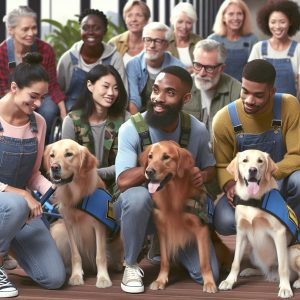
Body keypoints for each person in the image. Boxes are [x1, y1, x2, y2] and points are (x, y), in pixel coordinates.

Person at [113, 66, 219, 294]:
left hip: (180, 210)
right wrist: (155, 165)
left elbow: (210, 167)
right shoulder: (131, 128)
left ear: (186, 98)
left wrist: (203, 174)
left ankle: (167, 248)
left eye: (169, 93)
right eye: (156, 90)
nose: (158, 99)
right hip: (138, 210)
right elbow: (122, 182)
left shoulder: (196, 129)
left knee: (211, 276)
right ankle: (131, 264)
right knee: (137, 197)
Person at [0, 52, 66, 298]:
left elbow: (33, 176)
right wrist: (19, 194)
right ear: (14, 87)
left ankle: (5, 242)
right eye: (33, 96)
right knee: (16, 203)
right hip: (12, 204)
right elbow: (21, 193)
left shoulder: (38, 123)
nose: (39, 104)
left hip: (19, 212)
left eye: (43, 97)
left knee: (54, 278)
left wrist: (58, 191)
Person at [212, 59, 300, 236]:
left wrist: (267, 175)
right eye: (245, 91)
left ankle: (292, 233)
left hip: (280, 181)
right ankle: (261, 237)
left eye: (258, 95)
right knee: (223, 221)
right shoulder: (223, 120)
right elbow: (221, 165)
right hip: (246, 186)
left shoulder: (288, 105)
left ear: (272, 91)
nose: (249, 100)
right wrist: (230, 185)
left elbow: (296, 154)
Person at [0, 6, 66, 143]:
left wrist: (64, 113)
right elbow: (2, 90)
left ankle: (41, 148)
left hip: (42, 96)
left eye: (34, 28)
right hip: (11, 96)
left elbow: (52, 84)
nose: (31, 33)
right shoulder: (2, 53)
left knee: (48, 111)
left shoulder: (46, 49)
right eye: (25, 29)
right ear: (11, 30)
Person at [61, 64, 130, 195]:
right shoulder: (71, 121)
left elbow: (127, 163)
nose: (111, 93)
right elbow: (67, 164)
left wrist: (95, 173)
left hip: (117, 188)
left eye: (116, 88)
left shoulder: (126, 120)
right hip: (81, 188)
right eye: (106, 86)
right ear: (90, 86)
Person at [57, 9, 127, 112]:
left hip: (106, 110)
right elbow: (58, 90)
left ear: (105, 30)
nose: (90, 32)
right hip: (73, 109)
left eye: (96, 28)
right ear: (80, 29)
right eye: (85, 28)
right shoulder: (68, 58)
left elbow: (122, 92)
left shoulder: (114, 58)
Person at [183, 39, 241, 140]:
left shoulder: (237, 92)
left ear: (221, 68)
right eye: (197, 65)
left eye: (209, 68)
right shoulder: (183, 86)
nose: (201, 73)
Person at [126, 22, 184, 114]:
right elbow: (134, 100)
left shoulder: (178, 68)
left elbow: (178, 103)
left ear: (166, 45)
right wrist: (140, 127)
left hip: (168, 115)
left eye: (157, 41)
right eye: (148, 40)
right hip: (140, 116)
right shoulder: (133, 65)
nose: (152, 45)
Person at [248, 0, 300, 98]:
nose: (277, 26)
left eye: (282, 22)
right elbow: (250, 81)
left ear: (291, 22)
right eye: (273, 22)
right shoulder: (258, 48)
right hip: (262, 107)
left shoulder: (298, 49)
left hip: (290, 108)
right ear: (267, 23)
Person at [208, 0, 257, 82]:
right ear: (223, 17)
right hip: (218, 88)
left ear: (244, 16)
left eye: (239, 14)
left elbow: (255, 71)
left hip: (243, 90)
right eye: (231, 14)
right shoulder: (213, 40)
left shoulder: (252, 40)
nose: (236, 18)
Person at [108, 0, 151, 66]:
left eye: (139, 15)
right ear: (125, 19)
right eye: (129, 15)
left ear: (146, 19)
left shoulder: (154, 42)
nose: (134, 19)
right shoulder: (114, 43)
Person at [168, 2, 202, 73]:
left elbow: (204, 65)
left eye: (188, 23)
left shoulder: (200, 42)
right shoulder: (164, 41)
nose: (184, 27)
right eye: (180, 22)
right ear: (172, 20)